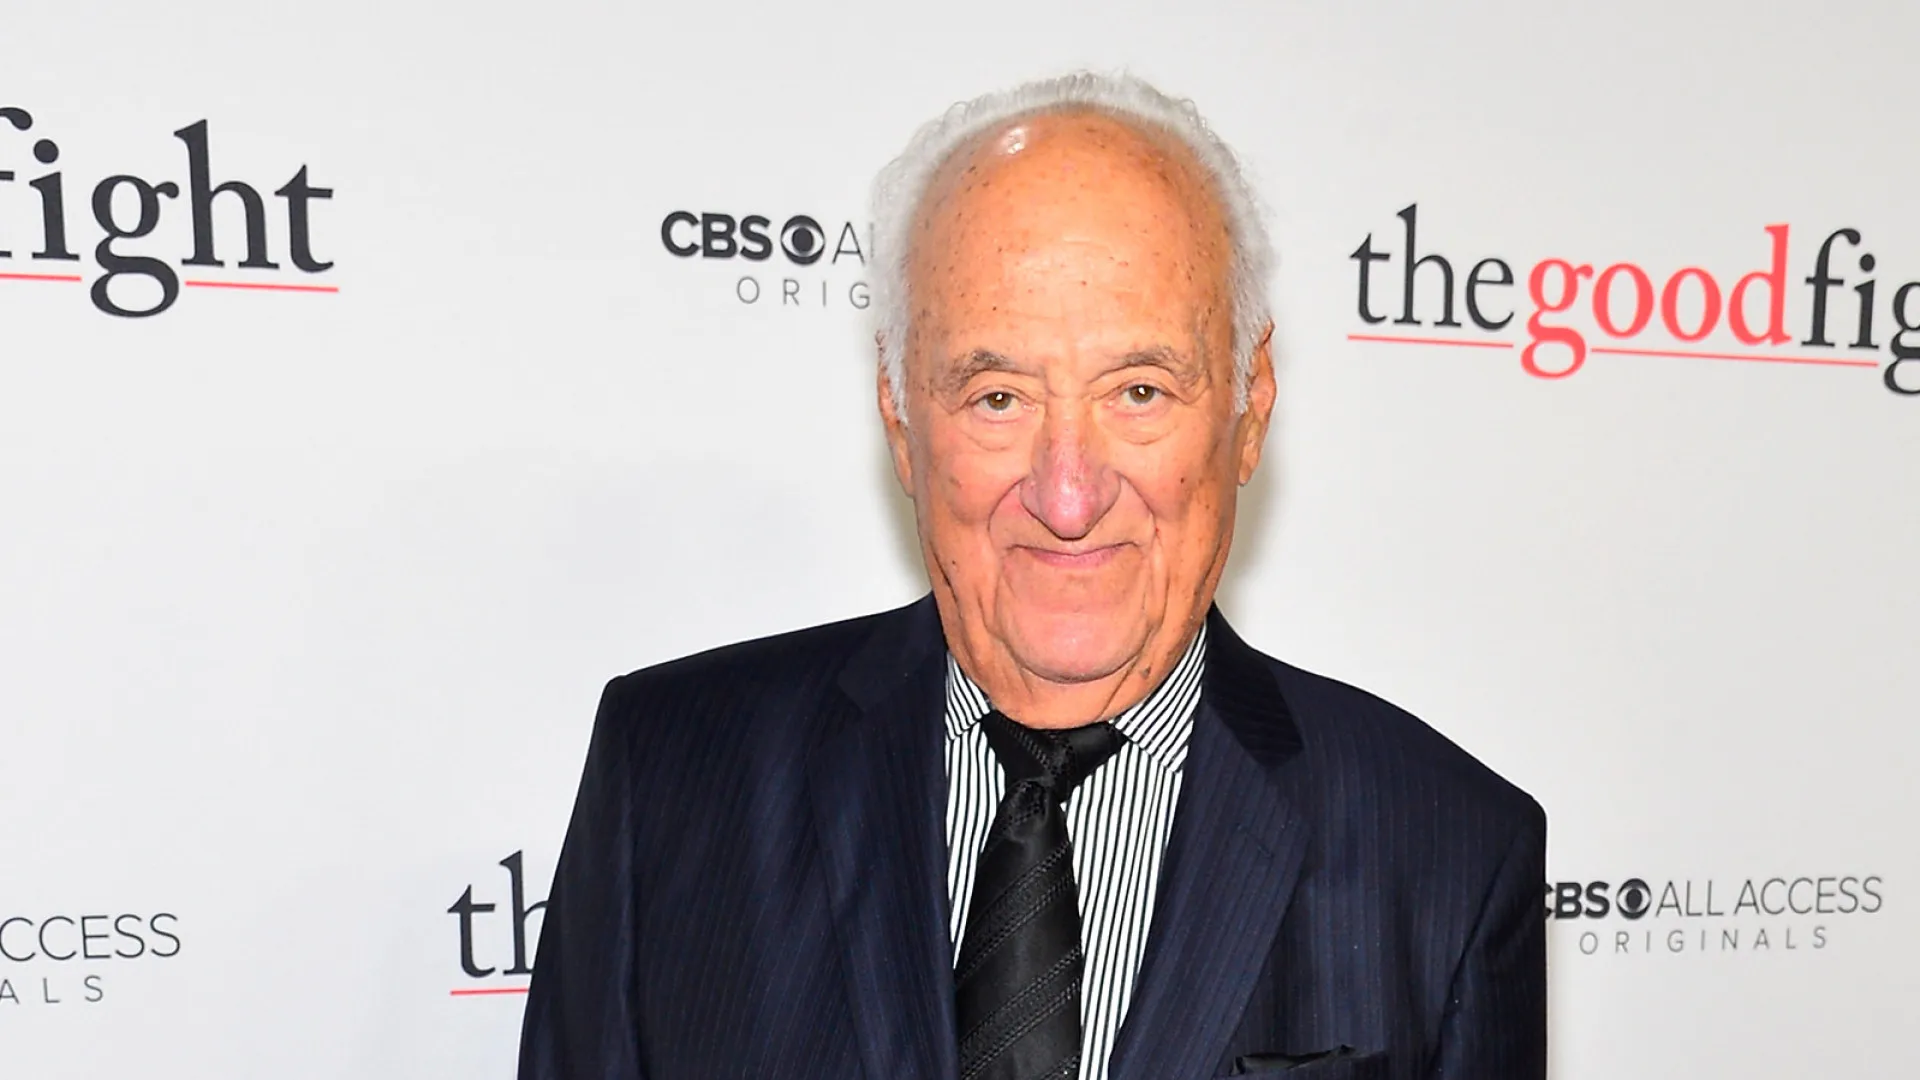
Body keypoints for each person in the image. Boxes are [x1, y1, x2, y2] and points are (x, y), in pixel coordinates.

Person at [518, 71, 1545, 1080]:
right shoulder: (670, 778)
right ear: (900, 416)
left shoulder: (1450, 854)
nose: (1068, 494)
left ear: (1251, 406)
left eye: (1139, 391)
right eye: (998, 398)